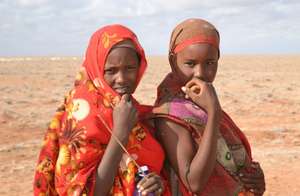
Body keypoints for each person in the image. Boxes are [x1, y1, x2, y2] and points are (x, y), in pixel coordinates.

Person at [33, 24, 171, 195]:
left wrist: (156, 182)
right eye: (111, 71)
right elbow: (86, 191)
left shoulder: (129, 108)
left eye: (130, 68)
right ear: (97, 68)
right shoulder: (83, 113)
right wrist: (120, 132)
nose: (121, 79)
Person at [153, 18, 265, 195]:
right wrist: (214, 112)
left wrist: (255, 180)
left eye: (210, 63)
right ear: (173, 62)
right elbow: (194, 183)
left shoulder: (201, 102)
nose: (201, 73)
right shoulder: (170, 113)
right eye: (190, 63)